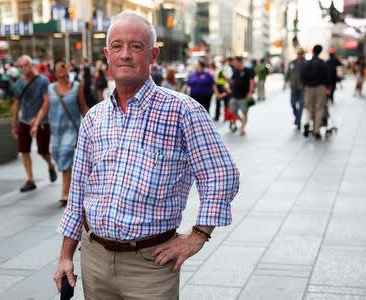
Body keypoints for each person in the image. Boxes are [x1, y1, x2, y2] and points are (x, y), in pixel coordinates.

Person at [53, 11, 240, 300]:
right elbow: (78, 193)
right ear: (107, 55)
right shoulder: (94, 118)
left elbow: (221, 175)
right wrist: (66, 256)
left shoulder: (183, 112)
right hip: (94, 261)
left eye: (136, 46)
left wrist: (197, 236)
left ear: (152, 54)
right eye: (117, 46)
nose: (125, 54)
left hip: (150, 266)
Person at [31, 60, 89, 205]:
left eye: (64, 66)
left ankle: (65, 193)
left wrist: (93, 124)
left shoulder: (77, 87)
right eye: (58, 68)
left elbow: (83, 108)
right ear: (55, 72)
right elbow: (45, 108)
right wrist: (36, 124)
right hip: (56, 130)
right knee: (58, 156)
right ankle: (65, 181)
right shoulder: (50, 88)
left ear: (68, 68)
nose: (61, 70)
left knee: (65, 153)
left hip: (71, 128)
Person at [12, 55, 57, 192]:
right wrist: (14, 125)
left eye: (25, 65)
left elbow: (46, 102)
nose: (23, 69)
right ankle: (30, 179)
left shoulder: (43, 81)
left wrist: (37, 119)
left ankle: (50, 165)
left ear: (31, 65)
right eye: (20, 67)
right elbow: (16, 104)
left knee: (43, 151)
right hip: (24, 120)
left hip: (42, 121)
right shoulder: (19, 83)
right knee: (24, 151)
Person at [300, 45, 330, 139]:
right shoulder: (323, 63)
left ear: (313, 51)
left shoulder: (306, 63)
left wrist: (305, 85)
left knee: (309, 107)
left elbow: (302, 75)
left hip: (308, 88)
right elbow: (327, 77)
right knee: (319, 108)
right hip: (320, 87)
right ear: (320, 51)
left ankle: (307, 122)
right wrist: (327, 87)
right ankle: (316, 130)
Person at [229, 56, 255, 136]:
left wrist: (250, 92)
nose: (233, 63)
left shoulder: (248, 70)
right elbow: (232, 81)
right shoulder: (235, 71)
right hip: (234, 95)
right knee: (232, 111)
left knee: (245, 112)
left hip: (244, 96)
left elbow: (252, 82)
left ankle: (242, 128)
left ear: (239, 62)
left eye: (235, 62)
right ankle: (242, 121)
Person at [284, 48, 306, 130]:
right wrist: (285, 83)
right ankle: (297, 117)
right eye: (298, 53)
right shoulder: (292, 63)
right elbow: (288, 74)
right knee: (292, 103)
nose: (299, 55)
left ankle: (298, 121)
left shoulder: (306, 63)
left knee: (301, 105)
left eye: (301, 53)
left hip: (302, 88)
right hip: (293, 87)